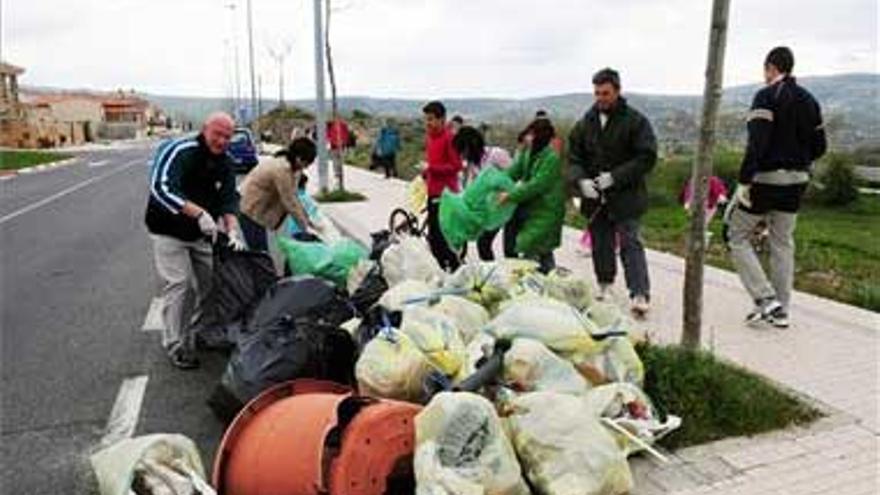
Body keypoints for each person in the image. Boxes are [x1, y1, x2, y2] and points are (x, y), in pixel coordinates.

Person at [727, 46, 826, 329]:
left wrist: (744, 180)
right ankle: (781, 309)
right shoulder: (810, 101)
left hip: (766, 181)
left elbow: (757, 143)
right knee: (782, 243)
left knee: (736, 234)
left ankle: (765, 298)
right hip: (797, 182)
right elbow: (821, 146)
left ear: (770, 68)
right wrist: (800, 160)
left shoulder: (766, 96)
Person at [145, 112, 242, 369]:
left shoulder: (226, 162)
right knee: (180, 284)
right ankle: (175, 344)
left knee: (211, 284)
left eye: (227, 136)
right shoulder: (181, 151)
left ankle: (200, 333)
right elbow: (161, 187)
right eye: (217, 134)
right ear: (204, 129)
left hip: (202, 234)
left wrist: (232, 230)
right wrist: (198, 213)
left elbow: (229, 199)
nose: (221, 140)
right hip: (168, 230)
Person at [569, 68, 657, 317]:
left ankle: (639, 293)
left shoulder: (635, 121)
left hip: (626, 195)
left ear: (617, 91)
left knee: (631, 242)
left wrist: (615, 178)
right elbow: (574, 156)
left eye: (605, 93)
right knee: (600, 243)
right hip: (596, 197)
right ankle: (605, 285)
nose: (601, 98)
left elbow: (646, 157)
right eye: (597, 93)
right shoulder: (586, 122)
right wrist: (580, 180)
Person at [497, 118, 566, 273]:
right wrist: (496, 182)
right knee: (542, 249)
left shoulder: (551, 159)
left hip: (547, 210)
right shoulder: (528, 153)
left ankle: (538, 282)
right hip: (532, 208)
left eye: (531, 134)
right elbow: (514, 172)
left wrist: (510, 195)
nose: (528, 138)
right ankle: (548, 279)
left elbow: (537, 185)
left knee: (531, 244)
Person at [238, 137, 318, 252]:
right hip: (249, 209)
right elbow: (289, 201)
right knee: (259, 252)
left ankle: (257, 269)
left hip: (258, 210)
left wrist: (308, 221)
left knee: (260, 252)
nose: (307, 167)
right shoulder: (282, 169)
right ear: (299, 158)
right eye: (306, 163)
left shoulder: (293, 168)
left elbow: (295, 197)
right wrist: (306, 228)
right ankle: (253, 270)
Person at [452, 125, 513, 261]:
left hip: (510, 204)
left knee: (510, 249)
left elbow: (516, 175)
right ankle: (492, 275)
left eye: (463, 151)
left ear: (471, 147)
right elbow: (472, 186)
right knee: (483, 244)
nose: (462, 156)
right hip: (494, 209)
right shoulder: (474, 164)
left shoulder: (496, 155)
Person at [422, 100, 464, 271]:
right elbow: (434, 163)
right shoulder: (430, 138)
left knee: (440, 239)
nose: (428, 123)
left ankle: (455, 271)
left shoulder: (449, 138)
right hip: (432, 191)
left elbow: (456, 166)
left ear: (442, 119)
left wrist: (431, 168)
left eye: (431, 119)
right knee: (434, 239)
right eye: (426, 119)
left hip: (445, 195)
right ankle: (445, 272)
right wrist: (426, 173)